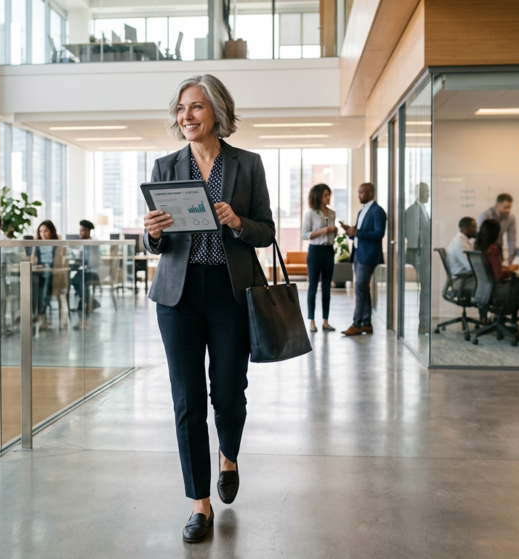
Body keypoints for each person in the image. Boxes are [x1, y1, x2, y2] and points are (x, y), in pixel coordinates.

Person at [142, 74, 275, 543]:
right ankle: (200, 503)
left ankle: (229, 457)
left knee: (228, 392)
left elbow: (267, 231)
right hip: (177, 296)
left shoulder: (247, 165)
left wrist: (239, 222)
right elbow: (154, 241)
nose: (186, 117)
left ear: (217, 110)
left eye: (195, 107)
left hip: (229, 290)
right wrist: (153, 233)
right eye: (181, 109)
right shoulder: (165, 166)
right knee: (187, 400)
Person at [473, 219, 519, 341]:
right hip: (497, 290)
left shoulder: (478, 247)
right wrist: (511, 270)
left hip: (484, 290)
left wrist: (504, 268)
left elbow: (491, 270)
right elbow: (498, 276)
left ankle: (516, 322)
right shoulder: (493, 248)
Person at [339, 182, 386, 336]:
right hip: (358, 254)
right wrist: (351, 231)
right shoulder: (362, 211)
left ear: (371, 193)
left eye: (362, 193)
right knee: (363, 288)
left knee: (359, 287)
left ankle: (357, 324)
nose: (359, 195)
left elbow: (379, 234)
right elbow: (361, 232)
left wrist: (357, 232)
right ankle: (366, 323)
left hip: (369, 256)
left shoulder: (378, 211)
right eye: (359, 192)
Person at [301, 183, 338, 332]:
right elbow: (305, 234)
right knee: (313, 287)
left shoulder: (332, 213)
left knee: (327, 288)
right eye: (325, 195)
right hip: (315, 252)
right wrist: (322, 230)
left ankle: (325, 321)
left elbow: (332, 235)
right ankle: (311, 321)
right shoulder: (310, 214)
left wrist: (334, 231)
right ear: (318, 196)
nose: (328, 197)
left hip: (329, 251)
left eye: (329, 195)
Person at [403, 182, 431, 332]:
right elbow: (411, 236)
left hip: (424, 253)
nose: (428, 194)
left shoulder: (424, 210)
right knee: (425, 288)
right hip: (418, 254)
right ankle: (423, 323)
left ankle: (425, 321)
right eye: (426, 192)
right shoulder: (412, 211)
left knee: (426, 288)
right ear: (418, 193)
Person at [70, 219, 101, 325]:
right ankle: (89, 302)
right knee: (74, 280)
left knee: (76, 280)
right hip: (85, 271)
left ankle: (87, 303)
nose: (80, 233)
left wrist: (82, 263)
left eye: (82, 231)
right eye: (80, 231)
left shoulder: (92, 244)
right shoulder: (84, 244)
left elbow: (94, 262)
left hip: (92, 272)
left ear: (88, 232)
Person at [31, 220, 59, 329]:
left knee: (45, 287)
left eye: (46, 231)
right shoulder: (37, 244)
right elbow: (34, 259)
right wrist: (34, 259)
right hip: (40, 272)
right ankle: (36, 314)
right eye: (41, 231)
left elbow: (57, 262)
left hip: (52, 273)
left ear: (51, 232)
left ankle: (43, 316)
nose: (43, 234)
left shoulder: (56, 244)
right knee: (32, 285)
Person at [477, 193, 517, 263]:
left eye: (509, 207)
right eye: (505, 207)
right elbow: (479, 234)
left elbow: (511, 238)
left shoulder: (511, 217)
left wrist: (511, 255)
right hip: (484, 248)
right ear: (497, 205)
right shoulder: (485, 215)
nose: (508, 210)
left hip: (498, 246)